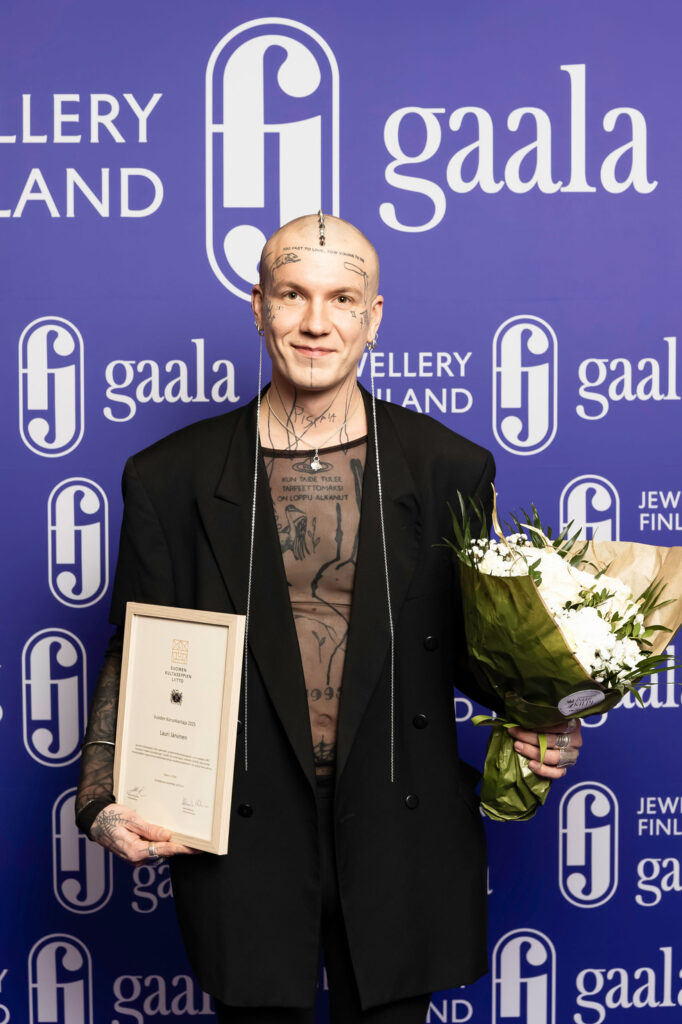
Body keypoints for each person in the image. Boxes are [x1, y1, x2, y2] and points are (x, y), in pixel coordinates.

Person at [76, 213, 582, 1023]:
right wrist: (100, 793)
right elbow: (136, 650)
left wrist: (545, 713)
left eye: (342, 298)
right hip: (239, 830)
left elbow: (474, 647)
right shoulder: (169, 476)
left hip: (400, 821)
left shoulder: (450, 467)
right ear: (259, 306)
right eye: (293, 295)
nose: (317, 322)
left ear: (373, 317)